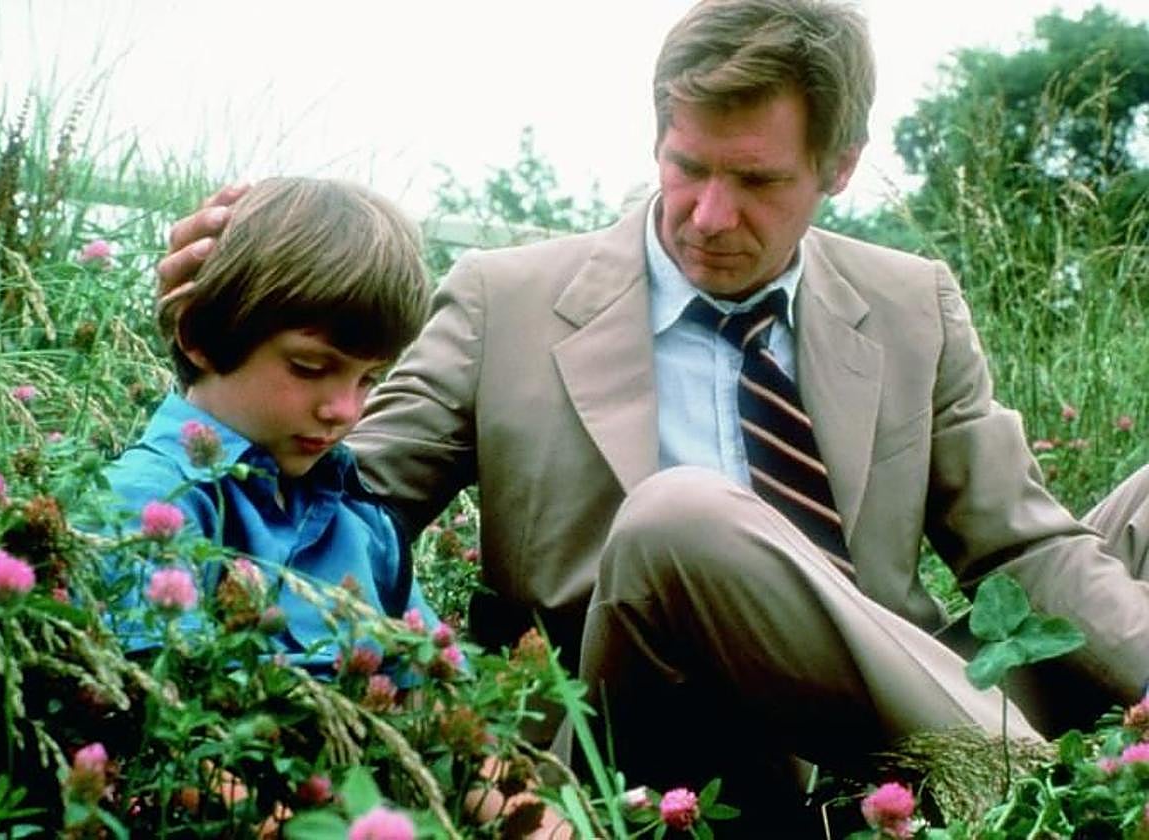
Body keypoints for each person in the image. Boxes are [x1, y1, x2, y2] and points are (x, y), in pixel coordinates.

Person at [158, 0, 1149, 829]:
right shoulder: (505, 301)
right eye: (687, 167)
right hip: (647, 763)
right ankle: (1044, 800)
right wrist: (222, 352)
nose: (709, 215)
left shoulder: (909, 301)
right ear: (658, 138)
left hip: (888, 725)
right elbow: (335, 504)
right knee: (681, 513)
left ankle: (982, 773)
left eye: (757, 181)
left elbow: (1024, 548)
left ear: (839, 167)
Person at [108, 176, 442, 665]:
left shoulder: (367, 530)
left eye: (369, 378)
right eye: (310, 367)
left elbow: (437, 686)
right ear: (199, 335)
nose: (345, 410)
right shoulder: (150, 503)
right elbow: (158, 698)